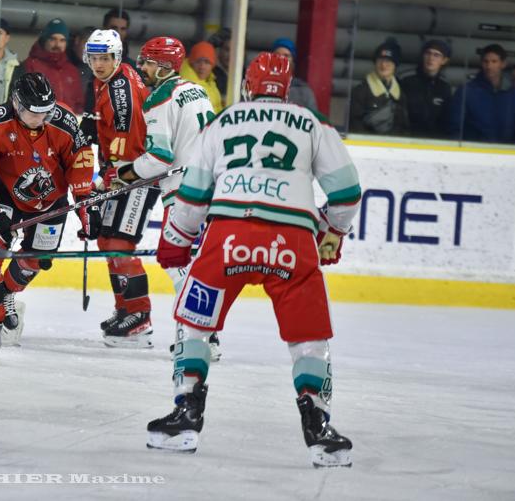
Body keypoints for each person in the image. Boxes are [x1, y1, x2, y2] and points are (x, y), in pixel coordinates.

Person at [148, 51, 361, 467]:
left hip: (228, 236)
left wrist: (176, 239)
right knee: (309, 336)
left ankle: (186, 414)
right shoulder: (312, 123)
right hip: (292, 240)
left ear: (248, 85)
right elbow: (347, 193)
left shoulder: (223, 121)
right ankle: (319, 427)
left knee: (195, 322)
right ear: (286, 89)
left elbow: (193, 196)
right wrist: (331, 231)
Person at [0, 73, 97, 363]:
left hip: (51, 201)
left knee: (37, 259)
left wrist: (85, 205)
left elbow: (80, 162)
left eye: (46, 112)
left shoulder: (64, 123)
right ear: (16, 104)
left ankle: (6, 293)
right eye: (34, 113)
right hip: (3, 196)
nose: (41, 119)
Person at [109, 36, 215, 348]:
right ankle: (207, 337)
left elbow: (159, 158)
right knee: (196, 265)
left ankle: (200, 338)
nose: (142, 67)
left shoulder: (159, 99)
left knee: (176, 262)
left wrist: (125, 173)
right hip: (210, 188)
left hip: (184, 193)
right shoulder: (198, 90)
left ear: (165, 66)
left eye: (148, 62)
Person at [83, 28, 157, 347]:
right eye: (94, 58)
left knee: (120, 243)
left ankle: (140, 316)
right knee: (107, 240)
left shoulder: (120, 90)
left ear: (117, 57)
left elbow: (130, 145)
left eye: (105, 58)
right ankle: (125, 307)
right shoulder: (110, 79)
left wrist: (103, 180)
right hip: (122, 171)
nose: (99, 64)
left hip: (137, 174)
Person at [447, 44, 515, 143]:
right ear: (481, 63)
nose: (489, 66)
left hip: (505, 151)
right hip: (474, 150)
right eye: (486, 61)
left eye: (494, 61)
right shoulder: (466, 91)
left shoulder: (514, 94)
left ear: (503, 64)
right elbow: (455, 127)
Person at [348, 38, 409, 135]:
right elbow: (355, 125)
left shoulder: (401, 94)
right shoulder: (360, 91)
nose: (383, 65)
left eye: (388, 61)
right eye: (380, 60)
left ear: (395, 65)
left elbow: (404, 127)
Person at [22, 18, 84, 113]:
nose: (57, 44)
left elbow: (79, 104)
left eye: (62, 40)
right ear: (45, 40)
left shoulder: (72, 71)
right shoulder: (31, 65)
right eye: (53, 39)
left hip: (67, 120)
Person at [400, 39, 453, 138]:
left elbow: (447, 121)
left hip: (434, 142)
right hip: (407, 140)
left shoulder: (445, 87)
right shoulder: (406, 81)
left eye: (436, 55)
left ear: (444, 60)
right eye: (428, 53)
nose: (431, 58)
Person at [271, 38, 318, 111]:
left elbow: (312, 116)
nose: (281, 59)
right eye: (277, 55)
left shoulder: (303, 91)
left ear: (293, 61)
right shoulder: (259, 87)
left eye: (286, 56)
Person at [180, 41, 224, 113]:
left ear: (212, 65)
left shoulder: (211, 81)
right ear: (191, 63)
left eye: (207, 62)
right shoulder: (186, 85)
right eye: (198, 61)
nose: (202, 67)